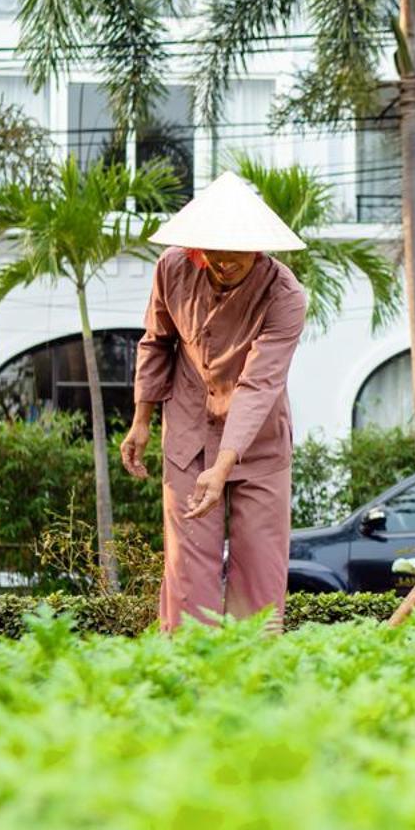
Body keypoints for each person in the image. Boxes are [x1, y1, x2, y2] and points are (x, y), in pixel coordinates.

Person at [123, 171, 308, 632]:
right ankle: (187, 676)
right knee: (189, 571)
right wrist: (141, 420)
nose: (223, 268)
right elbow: (156, 342)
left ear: (258, 251)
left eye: (235, 261)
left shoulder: (285, 296)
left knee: (259, 572)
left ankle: (253, 679)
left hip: (259, 442)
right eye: (214, 258)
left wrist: (223, 465)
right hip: (187, 430)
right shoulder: (172, 267)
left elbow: (259, 384)